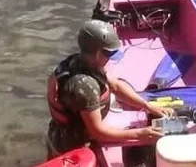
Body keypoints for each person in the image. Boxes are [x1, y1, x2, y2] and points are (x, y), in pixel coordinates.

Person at [46, 20, 169, 157]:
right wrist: (140, 133)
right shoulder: (85, 86)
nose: (110, 59)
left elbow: (115, 86)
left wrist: (147, 106)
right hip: (71, 148)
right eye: (109, 54)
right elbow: (97, 133)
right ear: (98, 53)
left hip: (63, 131)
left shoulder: (82, 61)